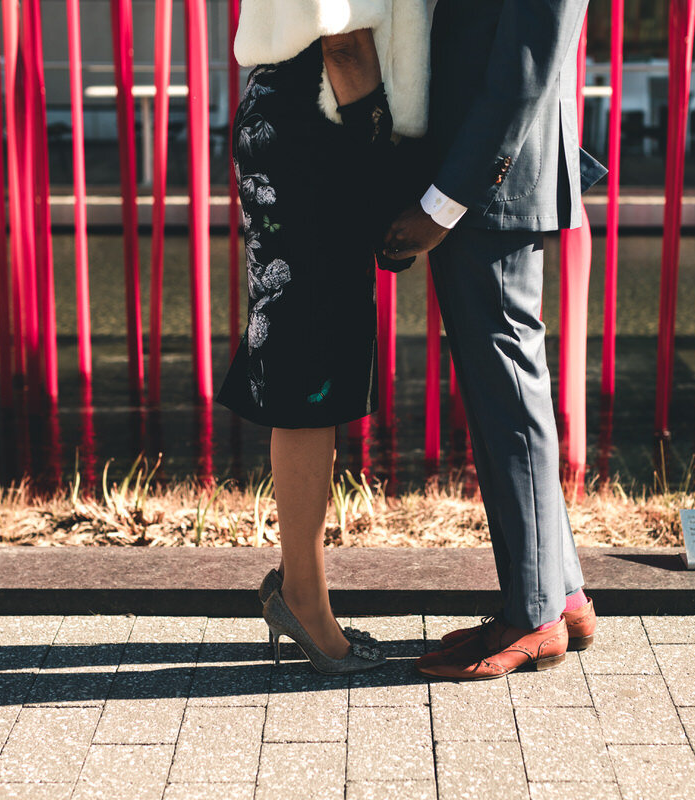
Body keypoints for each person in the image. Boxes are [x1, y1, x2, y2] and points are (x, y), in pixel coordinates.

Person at [383, 0, 608, 680]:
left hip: (488, 191)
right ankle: (556, 595)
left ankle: (535, 616)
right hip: (477, 180)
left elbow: (523, 72)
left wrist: (442, 204)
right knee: (504, 397)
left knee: (509, 399)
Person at [216, 0, 431, 674]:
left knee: (312, 356)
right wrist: (386, 180)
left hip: (304, 119)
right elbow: (344, 44)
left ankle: (300, 588)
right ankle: (305, 602)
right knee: (310, 368)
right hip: (320, 124)